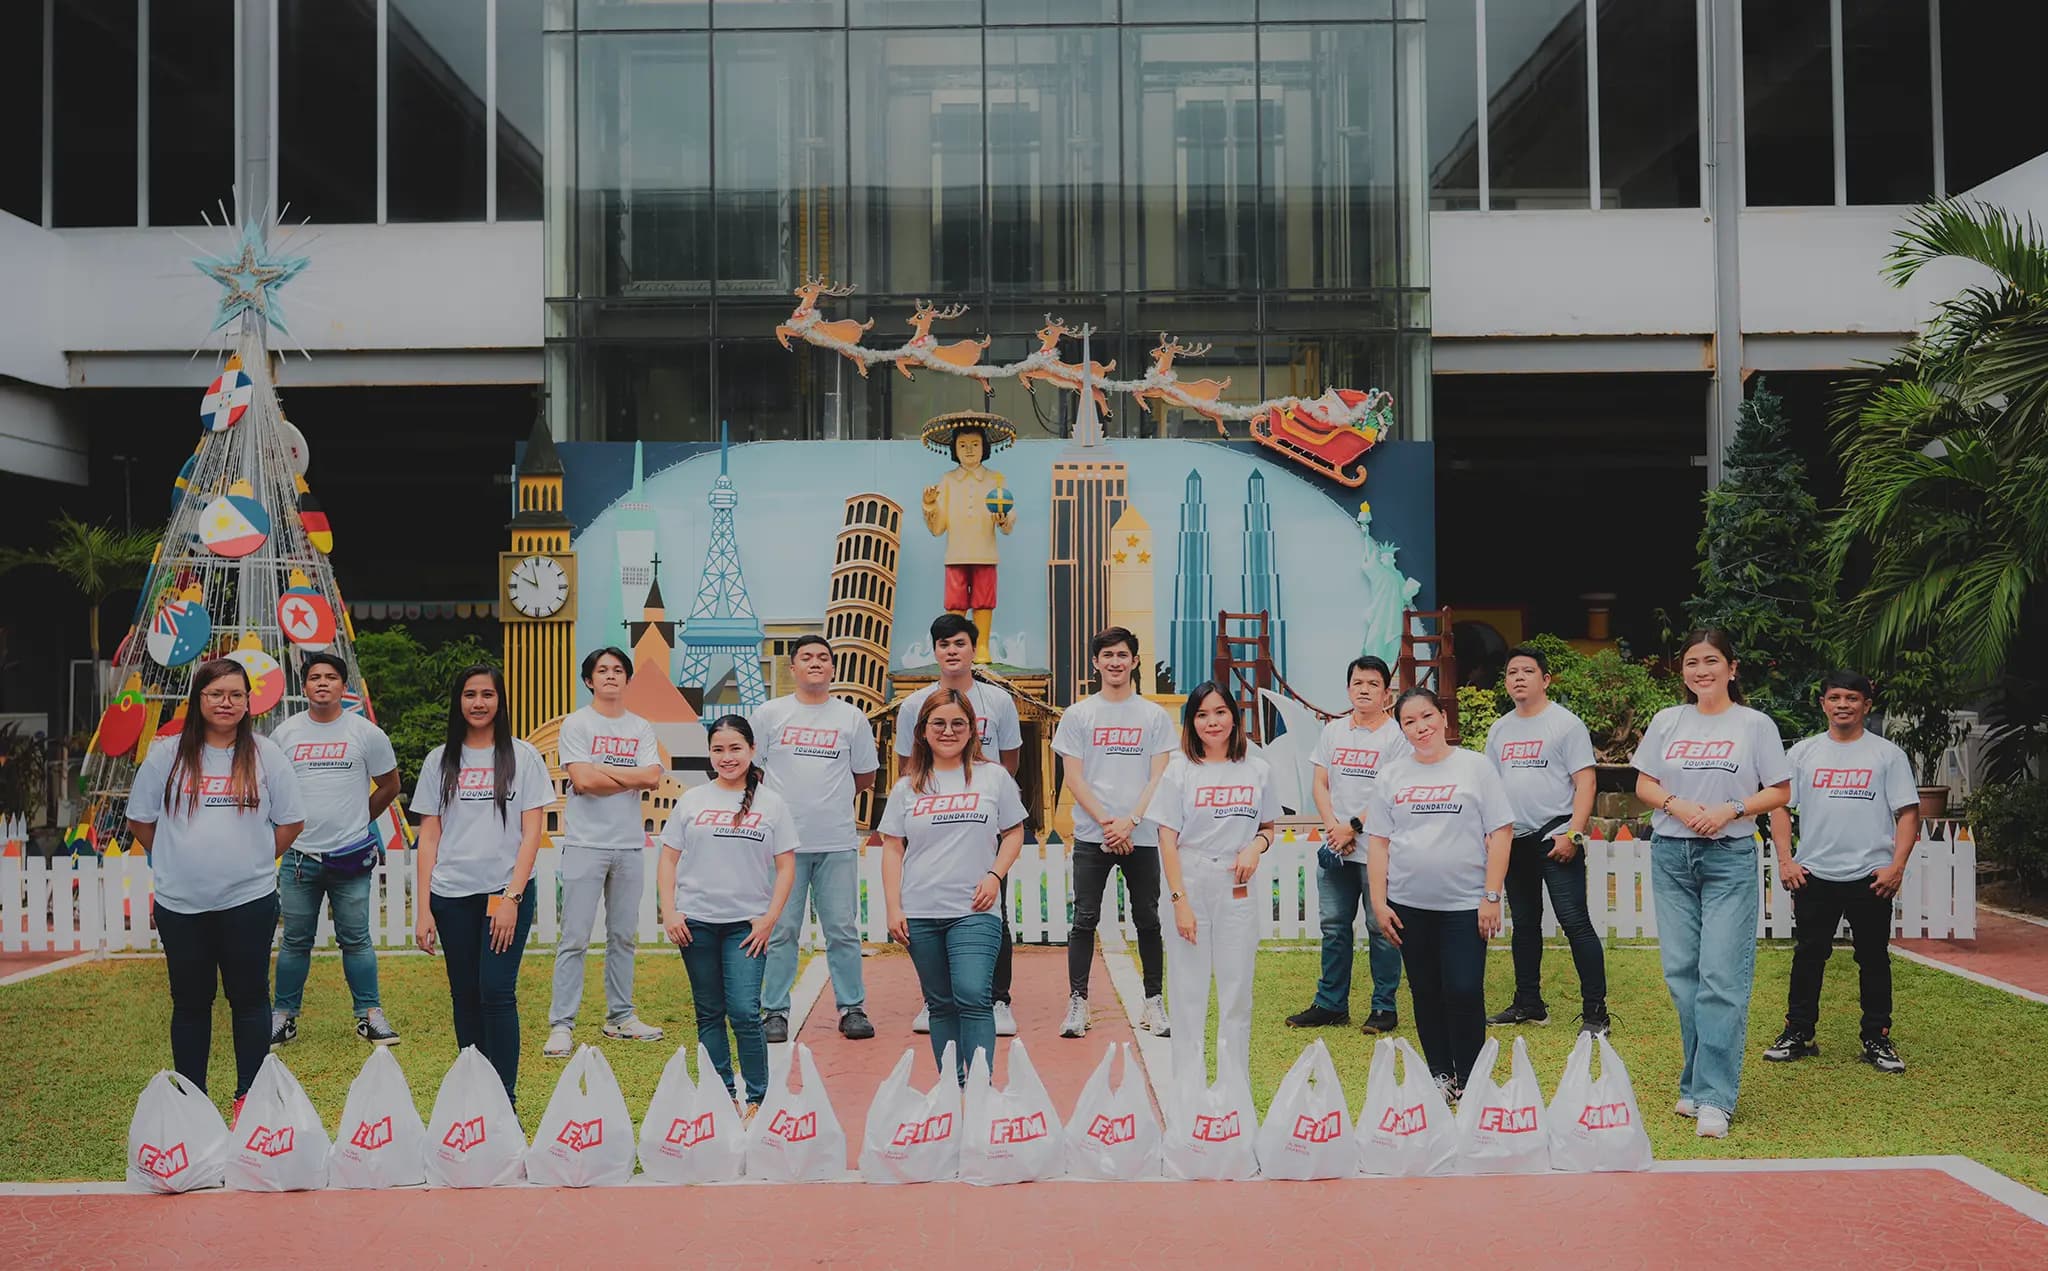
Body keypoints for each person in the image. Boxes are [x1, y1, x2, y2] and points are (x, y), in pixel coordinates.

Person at [127, 659, 305, 1124]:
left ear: (249, 702)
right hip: (181, 905)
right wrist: (175, 859)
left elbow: (291, 821)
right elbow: (141, 820)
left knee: (249, 1000)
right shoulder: (167, 754)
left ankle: (250, 1099)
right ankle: (193, 1104)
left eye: (236, 695)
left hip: (248, 902)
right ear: (199, 700)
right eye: (216, 694)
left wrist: (251, 860)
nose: (226, 703)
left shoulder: (266, 755)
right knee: (190, 1003)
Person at [1631, 629, 1791, 1140]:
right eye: (1692, 662)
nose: (1701, 671)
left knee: (1721, 978)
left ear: (1732, 668)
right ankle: (1697, 1082)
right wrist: (1678, 806)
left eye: (1711, 661)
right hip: (1672, 855)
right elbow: (1644, 783)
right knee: (1682, 976)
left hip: (1730, 857)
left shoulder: (1754, 724)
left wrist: (1731, 809)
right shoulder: (1667, 721)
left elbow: (1780, 791)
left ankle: (1714, 1098)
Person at [1764, 671, 1919, 1074]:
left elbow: (1908, 812)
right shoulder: (1802, 753)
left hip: (1871, 876)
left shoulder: (1887, 755)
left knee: (1873, 958)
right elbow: (1779, 805)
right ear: (1823, 704)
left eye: (1852, 697)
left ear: (1867, 704)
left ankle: (1877, 1037)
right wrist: (1786, 859)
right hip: (1814, 874)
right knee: (1809, 955)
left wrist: (1896, 867)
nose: (1843, 704)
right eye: (1835, 697)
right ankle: (1799, 1032)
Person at [412, 665, 553, 1104]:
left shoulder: (522, 756)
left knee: (496, 990)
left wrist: (511, 897)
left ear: (499, 700)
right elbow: (429, 836)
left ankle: (504, 1100)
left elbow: (533, 832)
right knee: (465, 994)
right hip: (451, 895)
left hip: (502, 893)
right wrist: (423, 908)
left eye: (487, 694)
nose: (478, 702)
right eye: (470, 694)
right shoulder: (440, 759)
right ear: (459, 701)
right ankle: (473, 1096)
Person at [1366, 688, 1514, 1101]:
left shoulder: (1475, 767)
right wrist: (1380, 901)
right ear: (1401, 728)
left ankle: (1471, 1077)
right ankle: (1440, 1075)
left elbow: (1501, 831)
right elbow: (1378, 841)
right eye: (1409, 721)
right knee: (1426, 991)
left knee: (1464, 989)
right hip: (1409, 905)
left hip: (1465, 904)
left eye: (1426, 717)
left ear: (1443, 717)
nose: (1420, 727)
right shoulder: (1392, 775)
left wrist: (1491, 895)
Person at [882, 690, 1027, 1085]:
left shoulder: (993, 777)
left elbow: (1014, 832)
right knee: (940, 1003)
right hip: (921, 910)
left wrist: (995, 875)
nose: (948, 731)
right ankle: (953, 1087)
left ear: (972, 730)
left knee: (972, 994)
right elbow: (893, 848)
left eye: (957, 723)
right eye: (939, 724)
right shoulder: (907, 787)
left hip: (974, 909)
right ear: (923, 732)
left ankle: (979, 1087)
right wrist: (894, 908)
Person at [657, 716, 798, 1115]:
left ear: (752, 750)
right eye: (718, 749)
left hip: (746, 926)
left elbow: (786, 866)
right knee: (709, 1013)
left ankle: (758, 1098)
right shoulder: (692, 800)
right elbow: (668, 860)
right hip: (696, 924)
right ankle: (723, 1098)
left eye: (735, 748)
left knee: (744, 1012)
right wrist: (670, 912)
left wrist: (769, 918)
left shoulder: (772, 804)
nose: (726, 757)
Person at [895, 613, 1024, 1036]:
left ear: (973, 649)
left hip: (980, 816)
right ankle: (934, 1002)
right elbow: (905, 765)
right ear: (935, 652)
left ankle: (998, 998)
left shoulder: (998, 701)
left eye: (960, 644)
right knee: (928, 912)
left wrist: (985, 789)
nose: (952, 651)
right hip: (932, 817)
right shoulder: (915, 705)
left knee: (991, 910)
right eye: (944, 645)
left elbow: (1011, 758)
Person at [1147, 683, 1279, 1091]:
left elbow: (1269, 827)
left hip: (1236, 885)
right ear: (1191, 722)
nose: (1212, 722)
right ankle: (1188, 1089)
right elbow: (1166, 838)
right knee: (1188, 993)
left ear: (1234, 718)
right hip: (1190, 880)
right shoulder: (1179, 770)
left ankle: (1232, 1086)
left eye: (1220, 712)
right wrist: (1179, 900)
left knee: (1236, 990)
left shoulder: (1257, 769)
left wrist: (1255, 848)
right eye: (1202, 715)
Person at [270, 651, 402, 1048]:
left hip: (350, 856)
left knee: (356, 939)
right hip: (299, 858)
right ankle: (282, 1017)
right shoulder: (285, 734)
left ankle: (370, 1015)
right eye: (314, 677)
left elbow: (390, 786)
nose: (322, 683)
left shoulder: (365, 733)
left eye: (330, 677)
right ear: (305, 686)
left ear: (345, 687)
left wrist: (360, 820)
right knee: (294, 940)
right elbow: (273, 792)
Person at [756, 634, 881, 1043]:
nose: (815, 663)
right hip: (783, 846)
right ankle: (774, 1011)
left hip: (836, 840)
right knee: (782, 929)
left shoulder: (851, 718)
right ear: (791, 668)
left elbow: (865, 776)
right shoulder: (770, 714)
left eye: (823, 658)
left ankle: (852, 1008)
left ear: (832, 669)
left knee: (842, 928)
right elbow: (753, 770)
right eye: (806, 657)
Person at [1053, 626, 1175, 1039]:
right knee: (1084, 919)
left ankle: (1153, 1002)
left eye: (1123, 655)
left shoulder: (1153, 716)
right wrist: (1108, 822)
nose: (1115, 662)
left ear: (1135, 661)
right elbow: (1074, 777)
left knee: (1148, 919)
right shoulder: (1079, 715)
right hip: (1093, 836)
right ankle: (1078, 1003)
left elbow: (1159, 775)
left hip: (1139, 836)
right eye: (1107, 655)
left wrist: (1131, 821)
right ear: (1096, 662)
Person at [545, 647, 667, 1058]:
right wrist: (618, 778)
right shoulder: (576, 724)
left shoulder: (641, 727)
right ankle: (562, 1024)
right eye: (603, 670)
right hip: (585, 843)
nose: (611, 676)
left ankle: (621, 1016)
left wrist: (602, 773)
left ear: (627, 679)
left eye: (618, 670)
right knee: (575, 938)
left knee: (622, 937)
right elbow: (581, 779)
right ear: (589, 680)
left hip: (629, 845)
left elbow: (651, 777)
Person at [1483, 645, 1607, 1034]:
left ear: (1546, 679)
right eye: (1511, 673)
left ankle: (1596, 1014)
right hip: (1514, 839)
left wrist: (1573, 832)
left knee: (1575, 922)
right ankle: (1529, 1004)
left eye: (1527, 671)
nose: (1518, 678)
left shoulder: (1565, 724)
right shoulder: (1500, 729)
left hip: (1556, 836)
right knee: (1524, 924)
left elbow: (1585, 782)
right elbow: (1489, 786)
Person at [1287, 656, 1408, 1035]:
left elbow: (1392, 794)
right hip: (1336, 850)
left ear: (1386, 692)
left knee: (1381, 927)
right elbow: (1320, 784)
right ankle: (1330, 1004)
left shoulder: (1396, 738)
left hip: (1376, 849)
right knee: (1335, 928)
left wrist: (1353, 826)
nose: (1364, 690)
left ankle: (1384, 1008)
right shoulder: (1333, 733)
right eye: (1358, 683)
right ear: (1348, 688)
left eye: (1373, 684)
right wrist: (1332, 828)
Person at [919, 414, 1017, 664]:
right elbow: (938, 527)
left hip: (986, 552)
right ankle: (956, 645)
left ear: (985, 447)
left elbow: (1008, 519)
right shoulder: (948, 481)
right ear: (954, 450)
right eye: (963, 445)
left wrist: (1003, 516)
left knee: (984, 601)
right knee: (955, 602)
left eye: (975, 444)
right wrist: (930, 505)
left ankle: (981, 645)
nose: (969, 450)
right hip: (956, 554)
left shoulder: (996, 479)